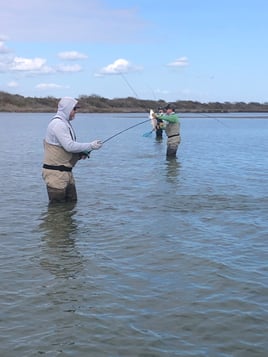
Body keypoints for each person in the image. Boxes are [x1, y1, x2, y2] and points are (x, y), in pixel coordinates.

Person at [42, 96, 103, 203]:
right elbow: (69, 146)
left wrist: (80, 154)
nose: (76, 112)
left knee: (71, 204)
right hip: (56, 175)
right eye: (74, 109)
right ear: (67, 109)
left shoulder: (64, 123)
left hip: (66, 173)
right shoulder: (58, 124)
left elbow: (65, 149)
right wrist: (91, 145)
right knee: (57, 210)